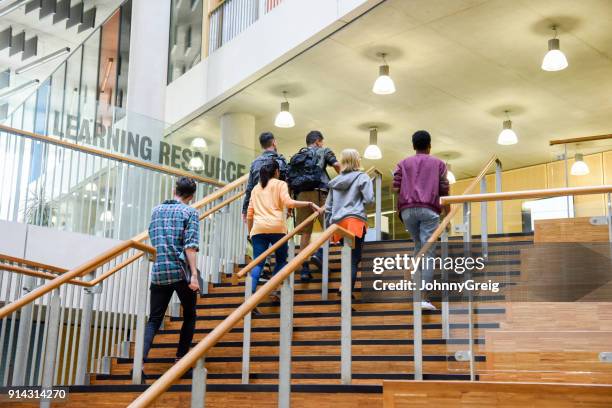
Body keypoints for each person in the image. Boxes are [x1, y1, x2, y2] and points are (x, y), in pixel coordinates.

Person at [143, 177, 200, 371]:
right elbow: (190, 246)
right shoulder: (190, 212)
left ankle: (139, 364)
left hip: (159, 270)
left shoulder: (156, 210)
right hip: (179, 270)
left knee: (154, 319)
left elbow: (153, 235)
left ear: (174, 189)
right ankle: (180, 358)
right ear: (192, 196)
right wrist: (194, 275)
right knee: (190, 314)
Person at [247, 159, 320, 312]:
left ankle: (250, 300)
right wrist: (308, 203)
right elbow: (289, 203)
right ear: (276, 172)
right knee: (281, 261)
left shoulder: (255, 188)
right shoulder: (280, 184)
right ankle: (274, 288)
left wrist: (250, 232)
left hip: (258, 230)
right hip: (277, 229)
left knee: (258, 263)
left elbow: (249, 215)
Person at [393, 130, 450, 310]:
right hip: (428, 209)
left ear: (413, 146)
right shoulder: (439, 164)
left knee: (418, 247)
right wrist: (447, 215)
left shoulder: (403, 163)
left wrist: (399, 210)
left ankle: (416, 294)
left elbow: (396, 187)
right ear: (430, 145)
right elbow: (444, 191)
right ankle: (423, 297)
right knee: (428, 251)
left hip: (407, 210)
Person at [288, 130, 341, 282]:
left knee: (305, 233)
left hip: (301, 196)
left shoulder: (297, 157)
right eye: (321, 142)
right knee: (330, 227)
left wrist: (290, 204)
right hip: (321, 194)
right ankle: (320, 255)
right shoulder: (324, 151)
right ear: (318, 141)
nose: (322, 144)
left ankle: (304, 268)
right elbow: (336, 165)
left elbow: (289, 180)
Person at [325, 149, 374, 294]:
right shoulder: (362, 177)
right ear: (356, 161)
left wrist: (329, 225)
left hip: (339, 224)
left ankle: (343, 286)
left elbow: (328, 207)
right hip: (355, 221)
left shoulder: (335, 181)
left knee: (347, 255)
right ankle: (345, 291)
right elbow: (370, 200)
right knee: (354, 258)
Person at [242, 132, 288, 221]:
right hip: (275, 207)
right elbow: (285, 184)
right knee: (277, 233)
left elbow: (249, 188)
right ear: (274, 142)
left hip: (257, 205)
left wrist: (245, 210)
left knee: (258, 232)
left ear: (262, 145)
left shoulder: (255, 163)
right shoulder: (280, 161)